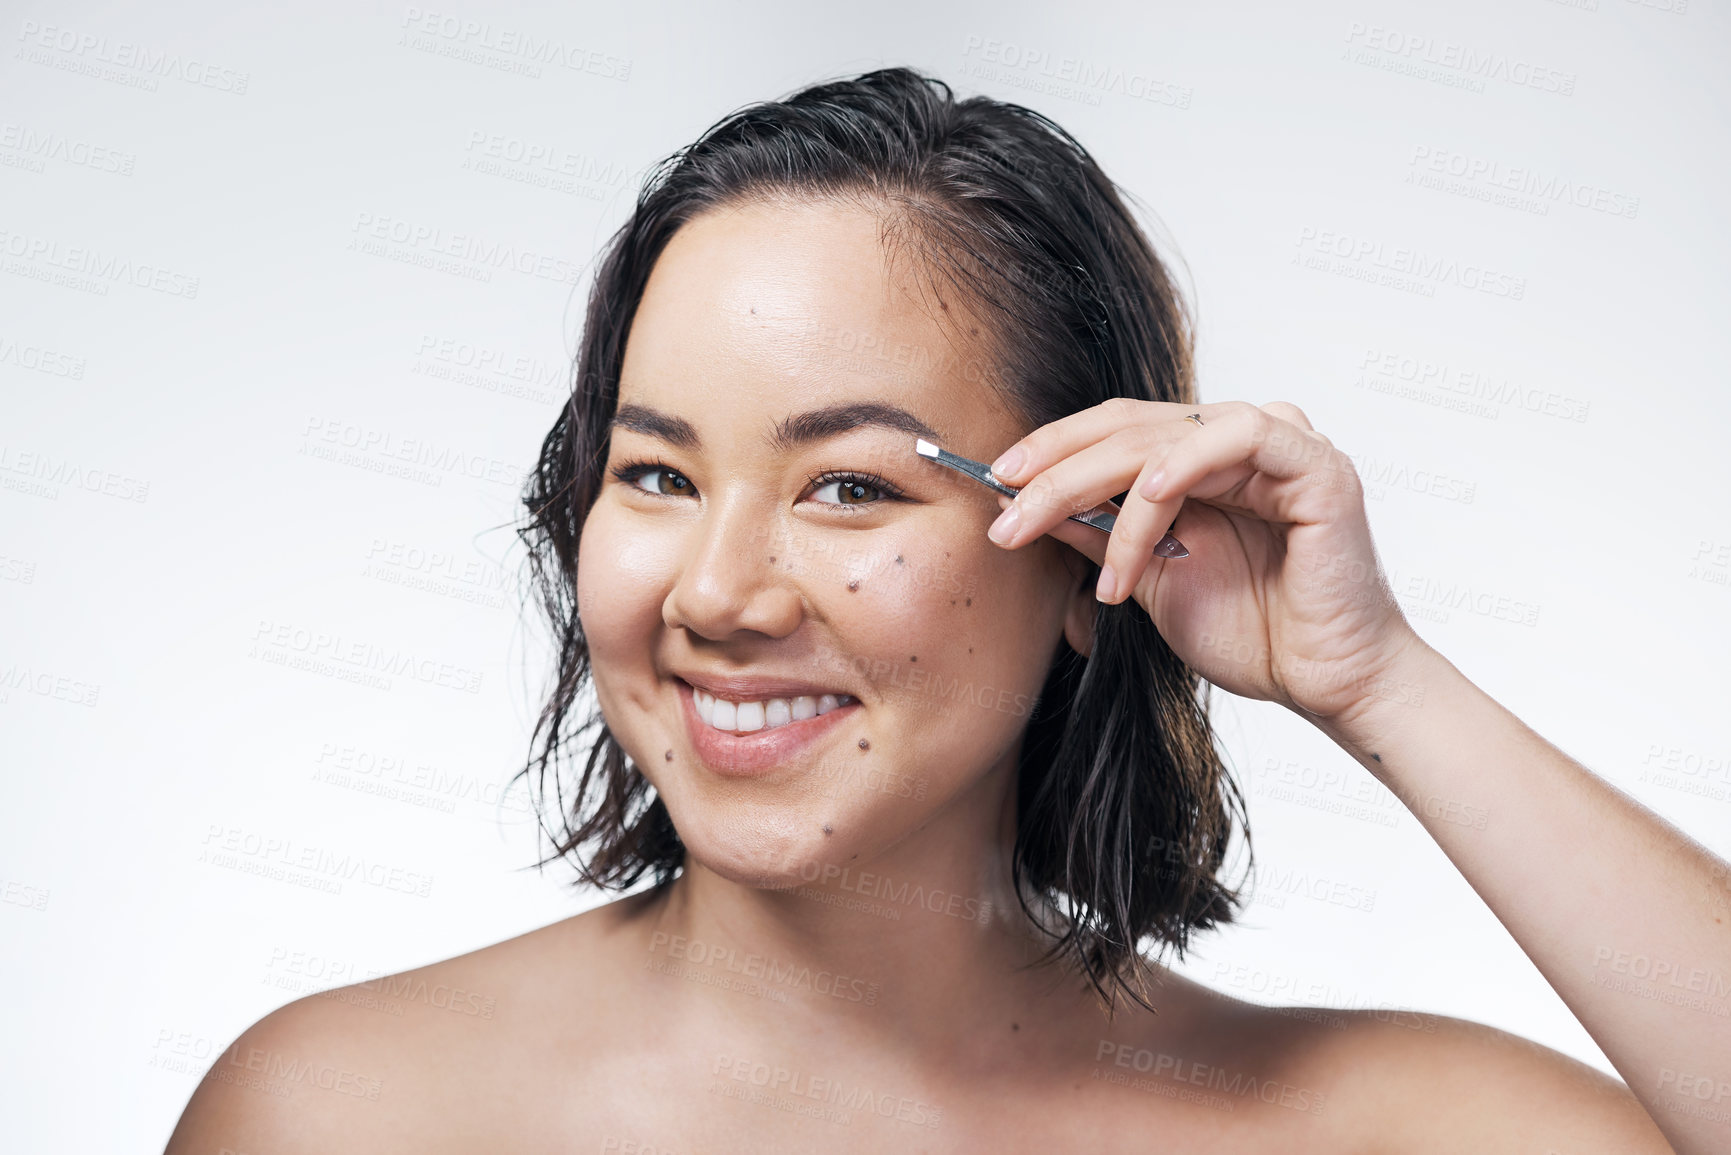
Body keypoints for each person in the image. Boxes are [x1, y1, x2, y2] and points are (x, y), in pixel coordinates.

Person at [166, 67, 1725, 1154]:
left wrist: (1384, 684)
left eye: (848, 489)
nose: (715, 592)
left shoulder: (1349, 1128)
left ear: (1088, 552)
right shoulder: (341, 1116)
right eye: (653, 476)